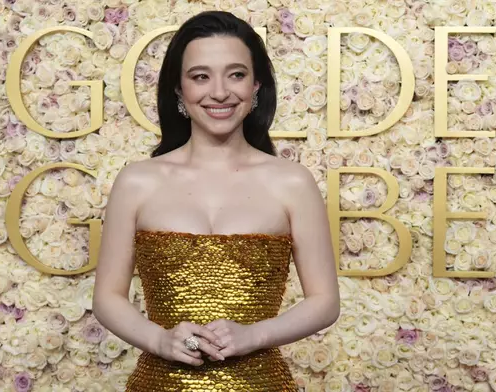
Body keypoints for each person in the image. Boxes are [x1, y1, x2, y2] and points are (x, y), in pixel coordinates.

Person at [92, 10, 340, 391]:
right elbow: (108, 297)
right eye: (200, 76)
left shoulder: (291, 182)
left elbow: (324, 302)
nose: (220, 92)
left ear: (256, 86)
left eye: (236, 74)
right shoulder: (138, 181)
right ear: (179, 89)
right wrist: (160, 340)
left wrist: (253, 336)